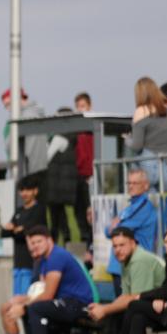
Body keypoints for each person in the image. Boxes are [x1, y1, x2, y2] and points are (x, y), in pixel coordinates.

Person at [7, 225, 96, 334]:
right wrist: (22, 300)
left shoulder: (57, 256)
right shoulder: (44, 260)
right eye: (33, 243)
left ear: (50, 240)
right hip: (64, 302)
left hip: (79, 304)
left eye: (39, 241)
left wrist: (25, 305)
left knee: (34, 308)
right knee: (28, 308)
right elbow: (42, 290)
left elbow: (47, 295)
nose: (36, 245)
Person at [86, 227, 165, 334]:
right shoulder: (126, 261)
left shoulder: (140, 260)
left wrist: (105, 309)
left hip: (165, 307)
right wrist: (103, 308)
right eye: (115, 246)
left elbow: (136, 297)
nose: (118, 250)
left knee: (131, 310)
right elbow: (126, 296)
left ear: (133, 243)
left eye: (122, 245)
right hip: (146, 307)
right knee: (122, 312)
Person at [0, 175, 48, 334]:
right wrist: (16, 229)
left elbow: (31, 231)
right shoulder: (18, 211)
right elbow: (4, 232)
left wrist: (18, 229)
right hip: (17, 266)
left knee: (26, 307)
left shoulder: (39, 209)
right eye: (22, 190)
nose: (24, 193)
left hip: (30, 266)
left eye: (28, 189)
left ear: (35, 191)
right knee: (15, 308)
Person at [105, 169, 158, 297]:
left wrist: (115, 224)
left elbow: (118, 230)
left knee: (130, 309)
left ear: (145, 186)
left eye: (135, 183)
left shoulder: (144, 206)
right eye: (129, 183)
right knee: (124, 310)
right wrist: (114, 226)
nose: (131, 186)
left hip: (133, 266)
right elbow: (108, 231)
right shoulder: (131, 207)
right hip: (120, 265)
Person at [128, 76, 167, 192]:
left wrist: (127, 140)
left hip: (148, 168)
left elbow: (137, 146)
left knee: (146, 206)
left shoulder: (140, 112)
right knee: (161, 206)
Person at [43, 108, 80, 244]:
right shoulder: (72, 136)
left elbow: (46, 157)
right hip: (62, 185)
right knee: (61, 216)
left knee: (55, 218)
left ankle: (56, 243)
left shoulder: (58, 137)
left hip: (55, 185)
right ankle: (65, 242)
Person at [2, 88, 49, 183]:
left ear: (18, 98)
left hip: (29, 174)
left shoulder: (27, 118)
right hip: (28, 172)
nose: (8, 108)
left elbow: (29, 149)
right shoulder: (19, 119)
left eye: (9, 104)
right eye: (5, 106)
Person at [73, 92, 94, 246]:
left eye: (83, 106)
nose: (81, 110)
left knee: (90, 212)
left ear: (89, 106)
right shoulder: (77, 131)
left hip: (90, 176)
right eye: (78, 107)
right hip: (79, 175)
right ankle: (85, 240)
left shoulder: (92, 129)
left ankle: (90, 241)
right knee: (80, 212)